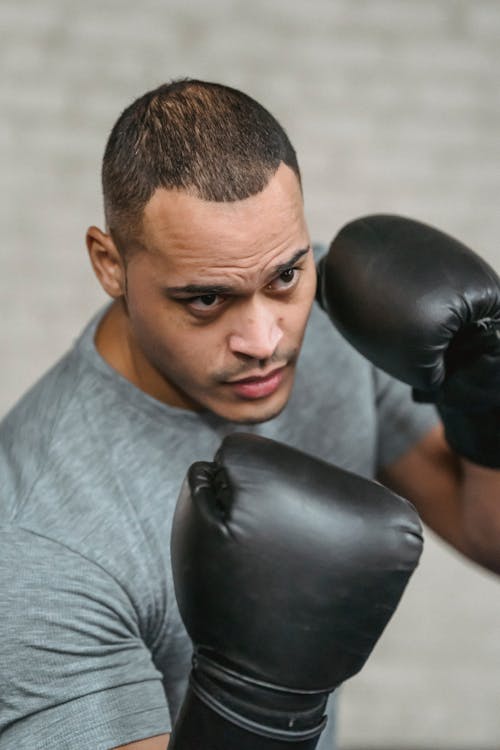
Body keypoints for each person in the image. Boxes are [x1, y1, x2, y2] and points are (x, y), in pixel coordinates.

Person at [0, 78, 498, 749]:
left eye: (285, 277)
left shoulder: (341, 324)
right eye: (206, 299)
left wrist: (487, 410)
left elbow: (487, 537)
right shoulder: (38, 541)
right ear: (110, 264)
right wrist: (256, 704)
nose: (266, 341)